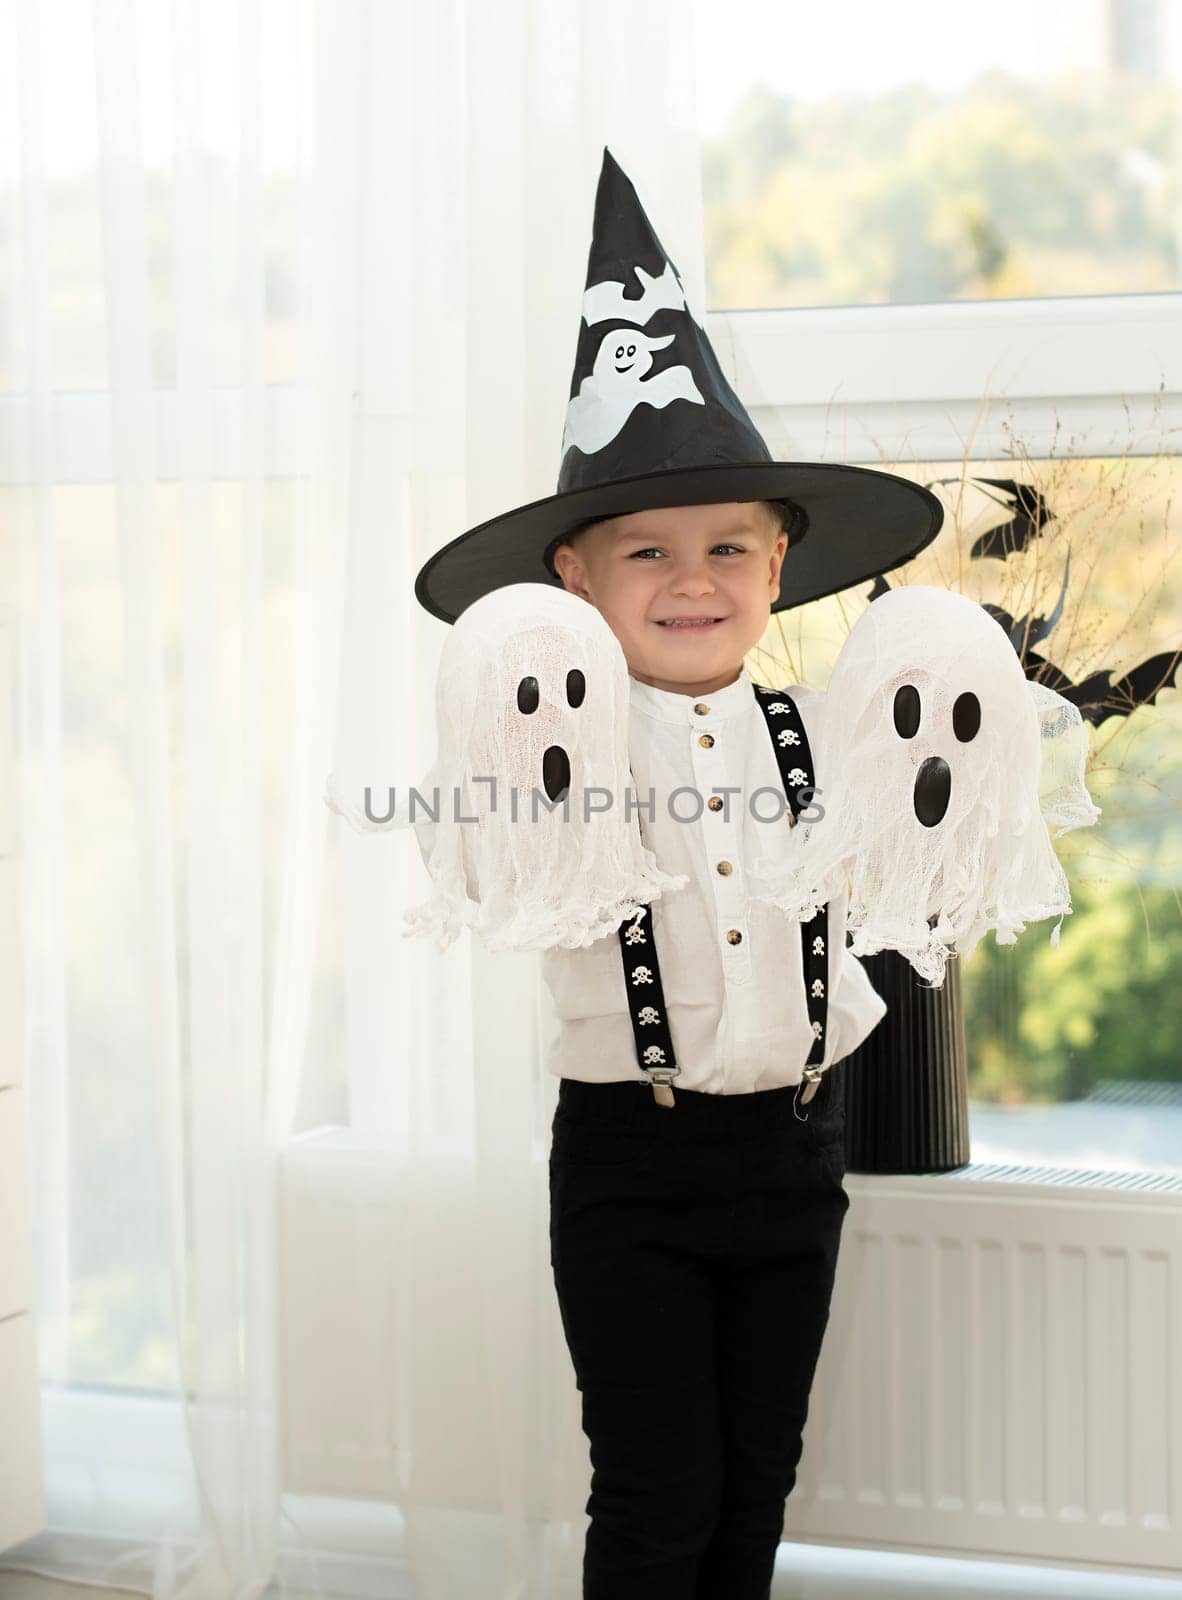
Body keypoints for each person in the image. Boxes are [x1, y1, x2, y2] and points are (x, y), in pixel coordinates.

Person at [410, 148, 944, 1598]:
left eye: (725, 546)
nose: (690, 579)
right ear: (575, 579)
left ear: (781, 563)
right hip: (631, 1168)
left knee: (756, 1483)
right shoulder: (553, 731)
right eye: (644, 552)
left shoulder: (816, 733)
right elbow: (485, 847)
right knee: (655, 1494)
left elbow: (912, 858)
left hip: (793, 1154)